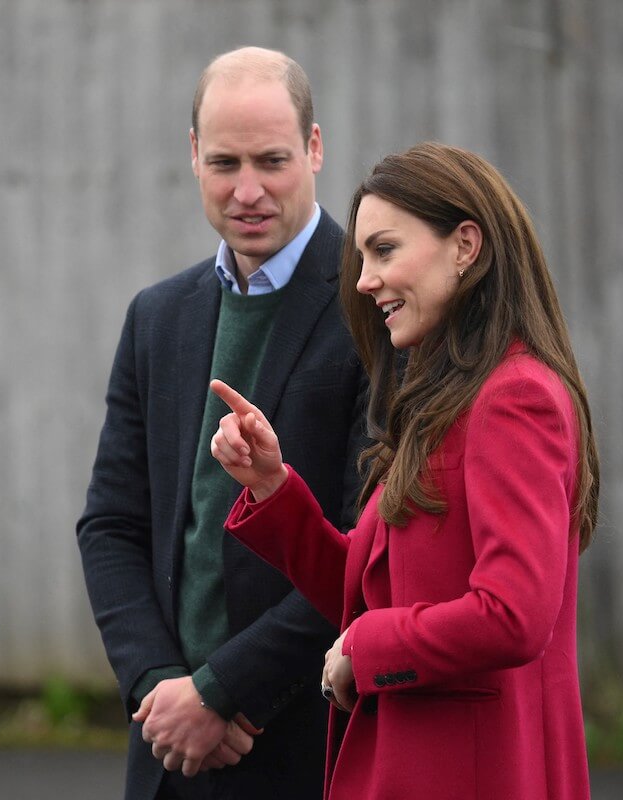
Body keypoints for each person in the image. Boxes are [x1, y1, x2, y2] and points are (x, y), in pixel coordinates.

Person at [210, 142, 600, 799]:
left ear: (465, 246)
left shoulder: (514, 398)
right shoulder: (452, 400)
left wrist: (367, 650)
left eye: (384, 251)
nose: (363, 280)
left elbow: (514, 614)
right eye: (363, 257)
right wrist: (273, 488)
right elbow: (375, 593)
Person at [76, 47, 367, 800]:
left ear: (315, 148)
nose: (247, 191)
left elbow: (368, 552)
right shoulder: (157, 318)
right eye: (224, 163)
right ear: (193, 156)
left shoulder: (375, 309)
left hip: (308, 745)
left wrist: (224, 692)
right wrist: (162, 687)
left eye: (271, 161)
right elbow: (111, 525)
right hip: (170, 753)